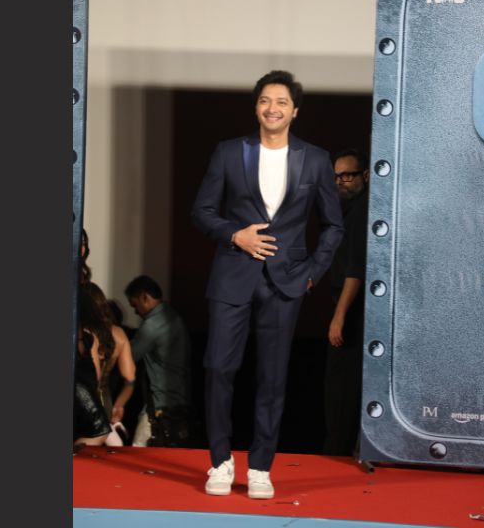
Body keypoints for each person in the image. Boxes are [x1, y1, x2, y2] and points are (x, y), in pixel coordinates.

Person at [191, 70, 343, 498]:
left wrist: (312, 272)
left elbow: (333, 225)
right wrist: (234, 235)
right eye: (264, 101)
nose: (271, 108)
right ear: (255, 107)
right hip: (232, 274)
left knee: (272, 378)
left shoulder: (316, 159)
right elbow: (202, 211)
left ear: (294, 111)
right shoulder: (228, 152)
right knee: (218, 368)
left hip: (287, 281)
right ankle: (220, 462)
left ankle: (260, 467)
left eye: (281, 102)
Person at [323, 148, 369, 456]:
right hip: (350, 310)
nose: (341, 182)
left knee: (342, 393)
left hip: (354, 315)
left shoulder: (363, 211)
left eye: (347, 176)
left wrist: (338, 316)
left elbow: (356, 269)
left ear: (365, 175)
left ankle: (337, 457)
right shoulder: (353, 211)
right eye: (336, 177)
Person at [125, 275, 191, 447]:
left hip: (159, 407)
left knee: (138, 455)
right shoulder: (174, 317)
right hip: (180, 403)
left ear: (144, 297)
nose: (135, 311)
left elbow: (127, 356)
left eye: (135, 305)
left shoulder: (152, 325)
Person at [74, 282, 136, 448]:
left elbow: (93, 377)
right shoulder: (119, 334)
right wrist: (119, 405)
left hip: (84, 399)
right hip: (106, 401)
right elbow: (130, 378)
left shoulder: (83, 333)